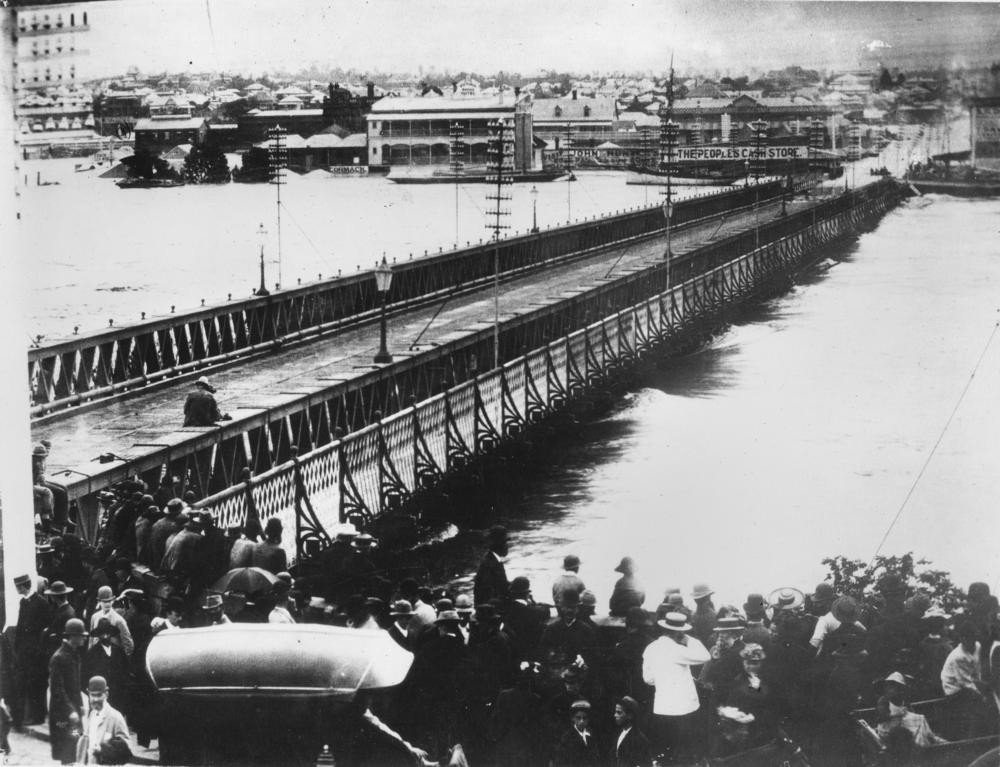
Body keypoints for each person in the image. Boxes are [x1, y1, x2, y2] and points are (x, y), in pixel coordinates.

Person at [642, 611, 710, 763]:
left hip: (662, 707)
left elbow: (648, 679)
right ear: (678, 633)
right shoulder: (677, 650)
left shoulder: (651, 648)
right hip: (683, 709)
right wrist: (688, 638)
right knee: (683, 755)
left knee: (666, 753)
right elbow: (705, 656)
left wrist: (664, 681)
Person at [12, 573, 51, 728]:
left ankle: (39, 717)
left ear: (23, 586)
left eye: (18, 586)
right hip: (24, 653)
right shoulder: (23, 602)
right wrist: (17, 648)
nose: (16, 589)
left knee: (37, 684)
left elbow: (45, 628)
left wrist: (40, 649)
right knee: (26, 683)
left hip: (37, 653)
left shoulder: (41, 603)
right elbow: (21, 626)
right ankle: (26, 716)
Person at [49, 618, 87, 764]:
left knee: (75, 744)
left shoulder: (74, 654)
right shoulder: (58, 658)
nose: (84, 638)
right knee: (67, 749)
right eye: (81, 635)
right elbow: (57, 689)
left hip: (74, 713)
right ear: (72, 637)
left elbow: (76, 685)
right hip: (62, 716)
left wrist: (80, 705)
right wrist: (70, 710)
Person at [874, 671, 946, 748]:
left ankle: (930, 739)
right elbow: (882, 717)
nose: (891, 690)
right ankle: (923, 745)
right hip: (889, 729)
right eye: (889, 687)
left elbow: (911, 712)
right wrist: (897, 715)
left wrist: (912, 716)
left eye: (894, 687)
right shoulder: (884, 700)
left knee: (920, 720)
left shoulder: (903, 700)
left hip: (903, 726)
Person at [75, 676, 130, 765]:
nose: (95, 699)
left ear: (106, 695)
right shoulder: (92, 714)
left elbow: (126, 747)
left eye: (99, 695)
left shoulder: (115, 717)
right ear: (89, 695)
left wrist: (103, 749)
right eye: (93, 695)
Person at [88, 586, 134, 657]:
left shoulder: (119, 620)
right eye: (104, 602)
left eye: (109, 601)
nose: (107, 604)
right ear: (99, 601)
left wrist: (121, 661)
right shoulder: (94, 617)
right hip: (97, 658)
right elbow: (91, 640)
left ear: (113, 601)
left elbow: (128, 645)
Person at [553, 700, 600, 767]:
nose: (581, 721)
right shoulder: (567, 737)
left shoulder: (591, 735)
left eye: (584, 718)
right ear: (573, 718)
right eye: (578, 718)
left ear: (588, 719)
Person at [610, 695, 651, 767]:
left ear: (630, 716)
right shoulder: (618, 733)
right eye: (615, 712)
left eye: (619, 712)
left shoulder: (639, 739)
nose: (615, 715)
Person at [474, 525, 510, 605]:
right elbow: (488, 592)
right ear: (499, 544)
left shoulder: (493, 560)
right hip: (489, 611)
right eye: (505, 542)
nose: (507, 546)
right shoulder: (490, 564)